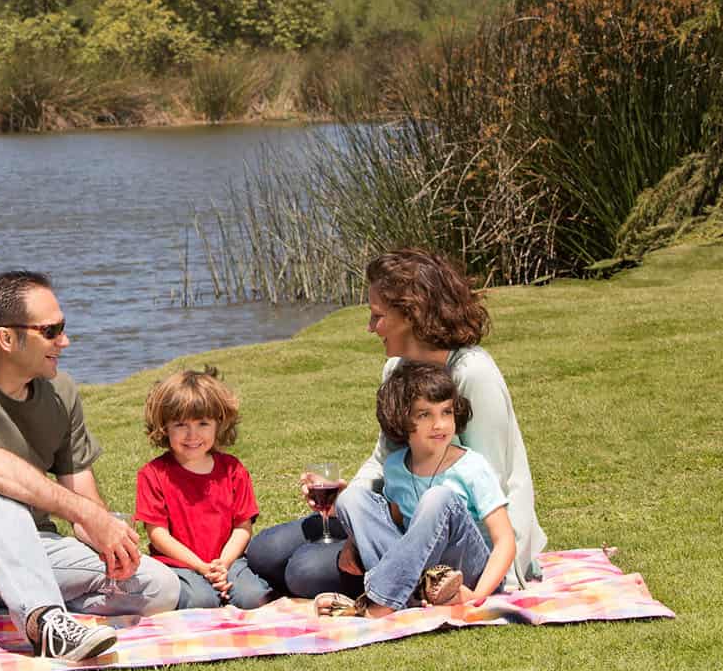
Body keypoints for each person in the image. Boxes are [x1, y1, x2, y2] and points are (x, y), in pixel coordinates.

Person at [246, 247, 546, 598]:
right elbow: (382, 457)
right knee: (265, 550)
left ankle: (400, 583)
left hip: (454, 540)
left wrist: (500, 578)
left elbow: (492, 482)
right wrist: (348, 495)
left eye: (377, 316)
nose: (370, 328)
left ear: (411, 314)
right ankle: (242, 584)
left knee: (303, 571)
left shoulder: (472, 374)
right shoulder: (397, 370)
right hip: (397, 515)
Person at [0, 271, 179, 662]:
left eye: (63, 328)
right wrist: (81, 511)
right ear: (6, 338)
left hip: (34, 548)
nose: (64, 341)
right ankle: (46, 626)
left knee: (159, 587)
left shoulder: (61, 392)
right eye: (51, 331)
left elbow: (81, 491)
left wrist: (107, 538)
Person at [321, 360, 515, 616]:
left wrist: (477, 596)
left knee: (439, 498)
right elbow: (397, 531)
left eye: (446, 412)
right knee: (352, 499)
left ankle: (378, 604)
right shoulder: (394, 467)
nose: (440, 424)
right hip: (421, 579)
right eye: (425, 415)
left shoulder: (471, 466)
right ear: (401, 419)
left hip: (467, 573)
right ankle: (408, 597)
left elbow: (505, 541)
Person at [134, 367, 274, 610]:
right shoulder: (153, 474)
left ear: (219, 424)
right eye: (180, 424)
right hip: (178, 564)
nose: (192, 435)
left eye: (202, 423)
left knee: (254, 598)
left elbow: (243, 527)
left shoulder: (233, 470)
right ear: (164, 427)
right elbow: (158, 534)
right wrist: (200, 566)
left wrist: (223, 564)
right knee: (202, 600)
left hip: (229, 560)